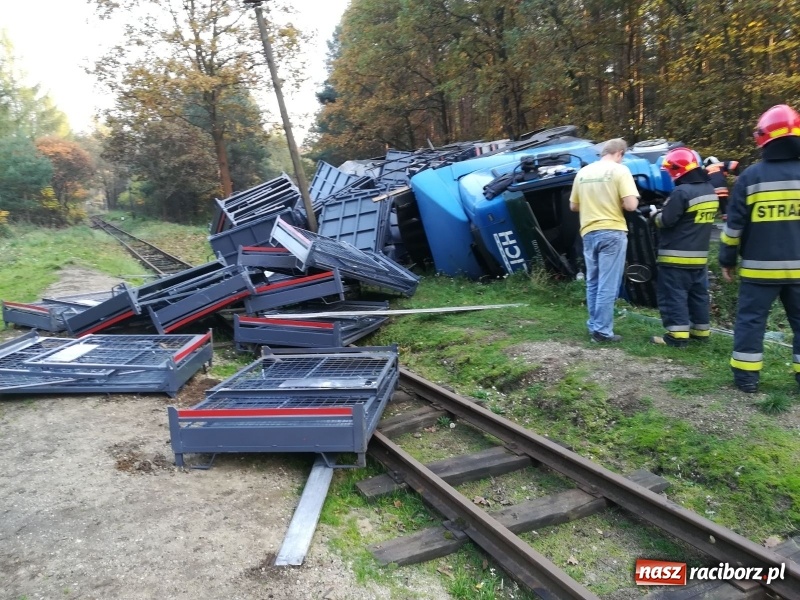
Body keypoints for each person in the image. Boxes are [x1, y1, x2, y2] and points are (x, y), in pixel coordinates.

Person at [719, 104, 800, 393]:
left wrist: (727, 259)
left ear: (763, 137)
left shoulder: (751, 177)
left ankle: (747, 378)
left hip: (759, 270)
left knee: (751, 322)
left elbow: (734, 228)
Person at [569, 138, 639, 343]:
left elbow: (573, 206)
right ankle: (602, 332)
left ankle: (594, 325)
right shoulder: (620, 171)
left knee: (593, 282)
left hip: (589, 231)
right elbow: (631, 205)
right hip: (612, 231)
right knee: (608, 283)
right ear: (619, 153)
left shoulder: (583, 173)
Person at [650, 147, 718, 347]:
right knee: (698, 295)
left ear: (676, 170)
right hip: (699, 257)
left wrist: (654, 215)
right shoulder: (709, 190)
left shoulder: (682, 192)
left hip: (675, 256)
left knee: (674, 296)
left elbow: (666, 221)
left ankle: (677, 337)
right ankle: (701, 332)